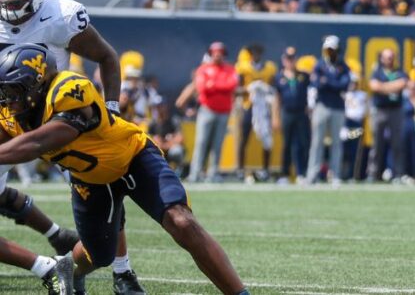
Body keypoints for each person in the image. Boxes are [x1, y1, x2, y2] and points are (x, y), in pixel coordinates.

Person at [0, 44, 250, 295]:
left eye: (14, 90)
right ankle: (66, 268)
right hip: (90, 180)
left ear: (38, 83)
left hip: (134, 157)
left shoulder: (68, 88)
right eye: (4, 91)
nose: (8, 99)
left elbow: (40, 141)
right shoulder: (9, 115)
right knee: (97, 254)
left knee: (182, 222)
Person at [0, 0, 143, 295]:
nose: (8, 0)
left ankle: (122, 271)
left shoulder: (59, 16)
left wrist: (110, 107)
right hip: (5, 120)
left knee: (105, 189)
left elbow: (107, 56)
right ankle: (51, 255)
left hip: (57, 123)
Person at [187, 42, 238, 184]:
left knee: (218, 144)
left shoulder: (230, 69)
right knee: (202, 142)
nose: (217, 54)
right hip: (207, 110)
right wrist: (220, 86)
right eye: (215, 52)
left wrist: (214, 85)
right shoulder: (203, 70)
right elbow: (202, 87)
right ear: (210, 53)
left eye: (220, 52)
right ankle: (195, 173)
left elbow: (231, 85)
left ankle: (213, 173)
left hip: (224, 112)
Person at [306, 35, 350, 185]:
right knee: (317, 142)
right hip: (322, 106)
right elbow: (318, 84)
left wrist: (328, 82)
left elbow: (343, 85)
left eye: (333, 50)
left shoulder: (343, 66)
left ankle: (335, 175)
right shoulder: (319, 65)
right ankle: (312, 174)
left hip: (337, 108)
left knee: (336, 143)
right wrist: (333, 83)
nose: (330, 53)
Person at [235, 44, 278, 183]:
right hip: (249, 106)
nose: (256, 55)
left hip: (264, 108)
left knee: (266, 138)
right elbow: (238, 90)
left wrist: (264, 88)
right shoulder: (244, 68)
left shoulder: (269, 68)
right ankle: (240, 169)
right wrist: (249, 88)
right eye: (253, 53)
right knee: (244, 138)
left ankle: (266, 169)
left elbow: (273, 89)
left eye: (258, 52)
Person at [367, 48, 409, 182]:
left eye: (391, 57)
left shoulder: (399, 72)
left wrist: (383, 87)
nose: (390, 60)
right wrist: (392, 87)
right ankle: (374, 173)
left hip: (396, 110)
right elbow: (374, 87)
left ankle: (398, 173)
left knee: (397, 144)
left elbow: (403, 84)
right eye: (387, 57)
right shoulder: (377, 73)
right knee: (377, 144)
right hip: (380, 110)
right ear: (381, 59)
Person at [273, 47, 312, 183]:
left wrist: (310, 110)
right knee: (287, 144)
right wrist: (276, 117)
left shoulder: (304, 76)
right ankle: (285, 174)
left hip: (301, 113)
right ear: (284, 60)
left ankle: (302, 173)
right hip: (287, 113)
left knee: (303, 143)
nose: (290, 61)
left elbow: (311, 94)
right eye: (288, 59)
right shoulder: (279, 77)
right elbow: (277, 99)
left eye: (293, 58)